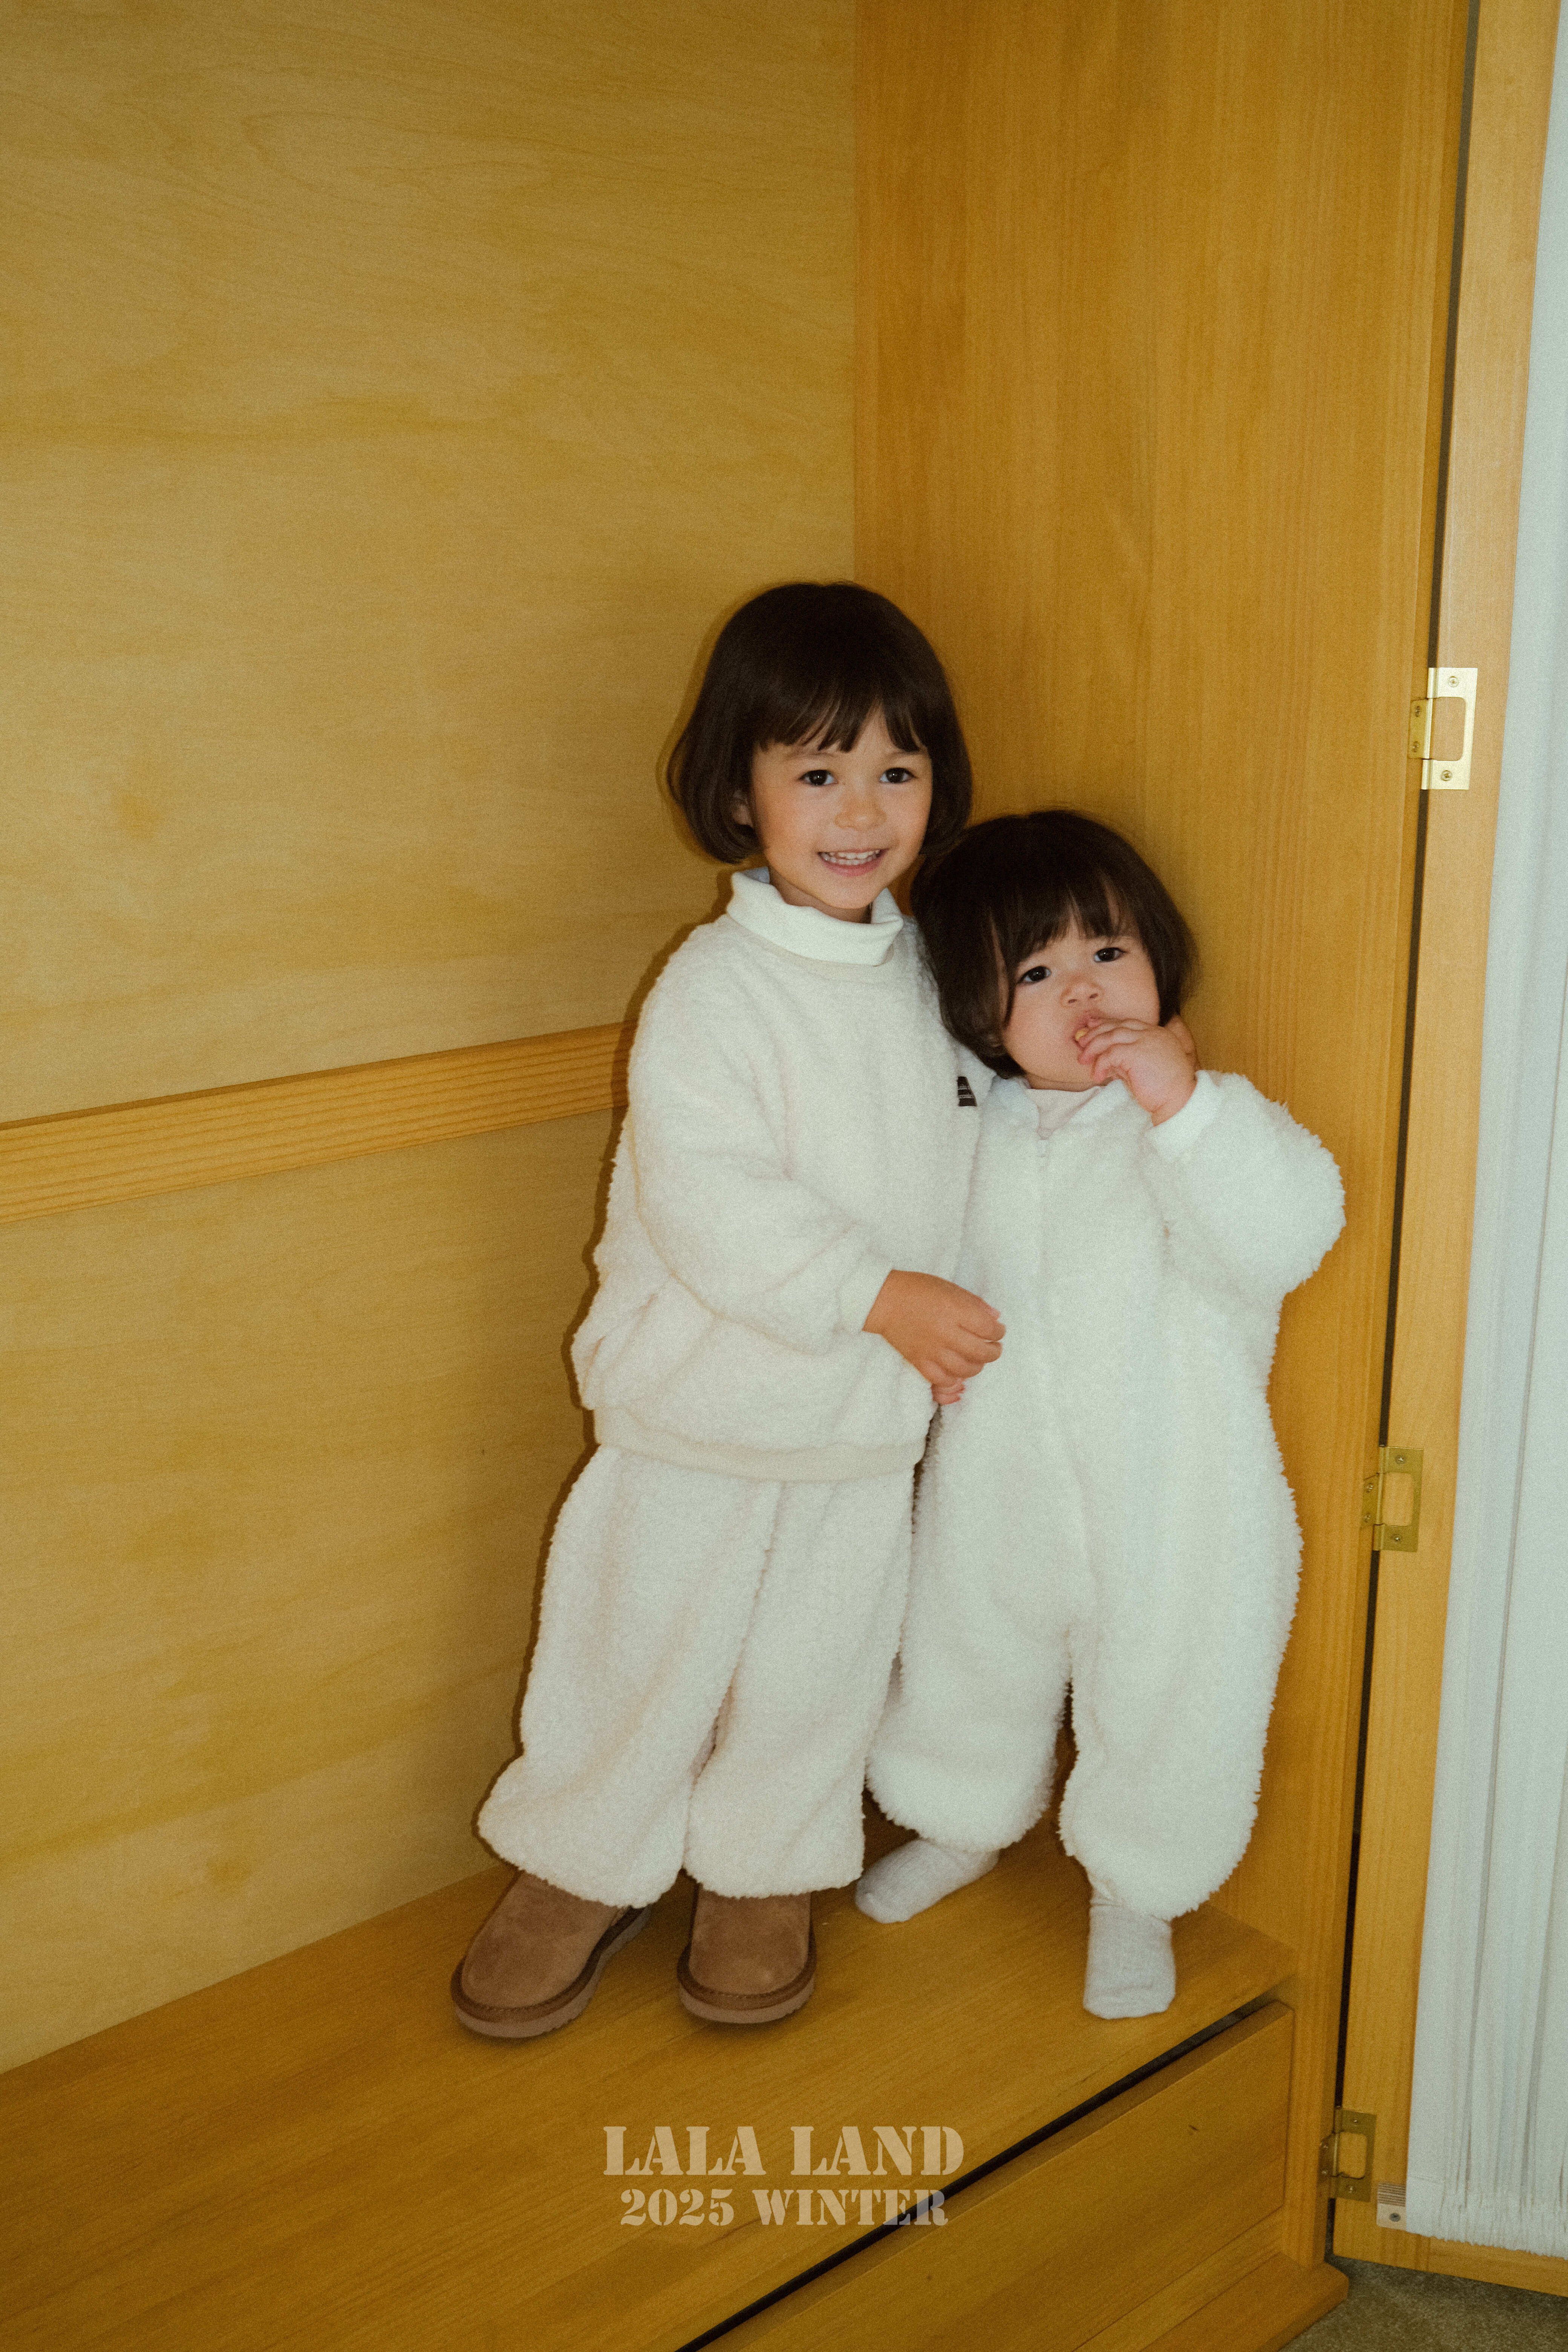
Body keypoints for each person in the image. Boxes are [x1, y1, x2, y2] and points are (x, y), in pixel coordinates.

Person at [452, 582, 1004, 2039]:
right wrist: (879, 1294)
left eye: (895, 769)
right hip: (693, 1419)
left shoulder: (935, 983)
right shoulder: (712, 989)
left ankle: (766, 1868)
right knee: (636, 1657)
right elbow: (711, 1202)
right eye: (817, 772)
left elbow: (975, 1155)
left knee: (817, 1675)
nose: (860, 809)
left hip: (856, 1434)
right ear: (740, 789)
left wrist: (957, 1319)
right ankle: (580, 1860)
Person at [856, 810, 1344, 2018]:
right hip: (998, 1478)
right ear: (980, 1012)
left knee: (1171, 1693)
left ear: (1160, 963)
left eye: (1108, 953)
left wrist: (1184, 1107)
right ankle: (959, 1818)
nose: (1082, 989)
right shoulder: (973, 1128)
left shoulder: (1194, 1122)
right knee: (963, 1650)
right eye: (1035, 972)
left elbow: (1286, 1236)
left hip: (1175, 1492)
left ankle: (1140, 1887)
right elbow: (923, 1263)